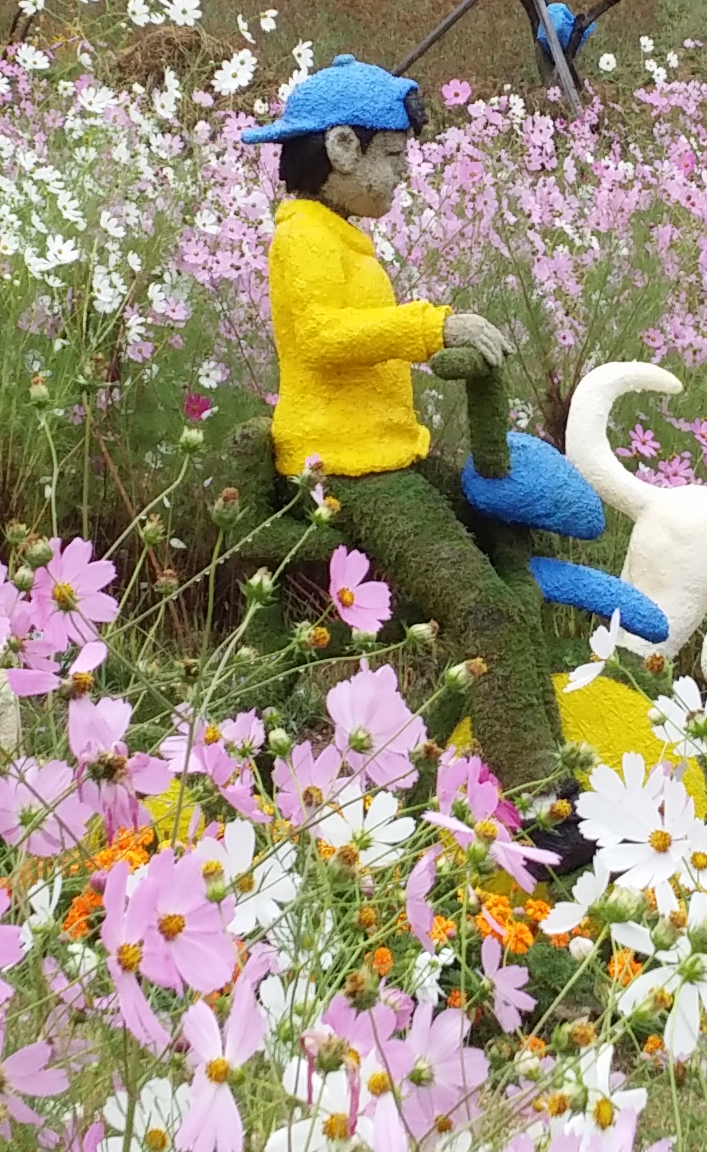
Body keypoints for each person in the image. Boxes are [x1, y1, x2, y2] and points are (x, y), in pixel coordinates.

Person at [242, 56, 577, 821]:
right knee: (482, 609)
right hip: (349, 469)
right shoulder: (301, 240)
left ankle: (541, 747)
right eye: (392, 156)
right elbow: (323, 336)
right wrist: (432, 327)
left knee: (510, 546)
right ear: (341, 148)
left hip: (393, 452)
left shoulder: (337, 235)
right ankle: (541, 801)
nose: (402, 175)